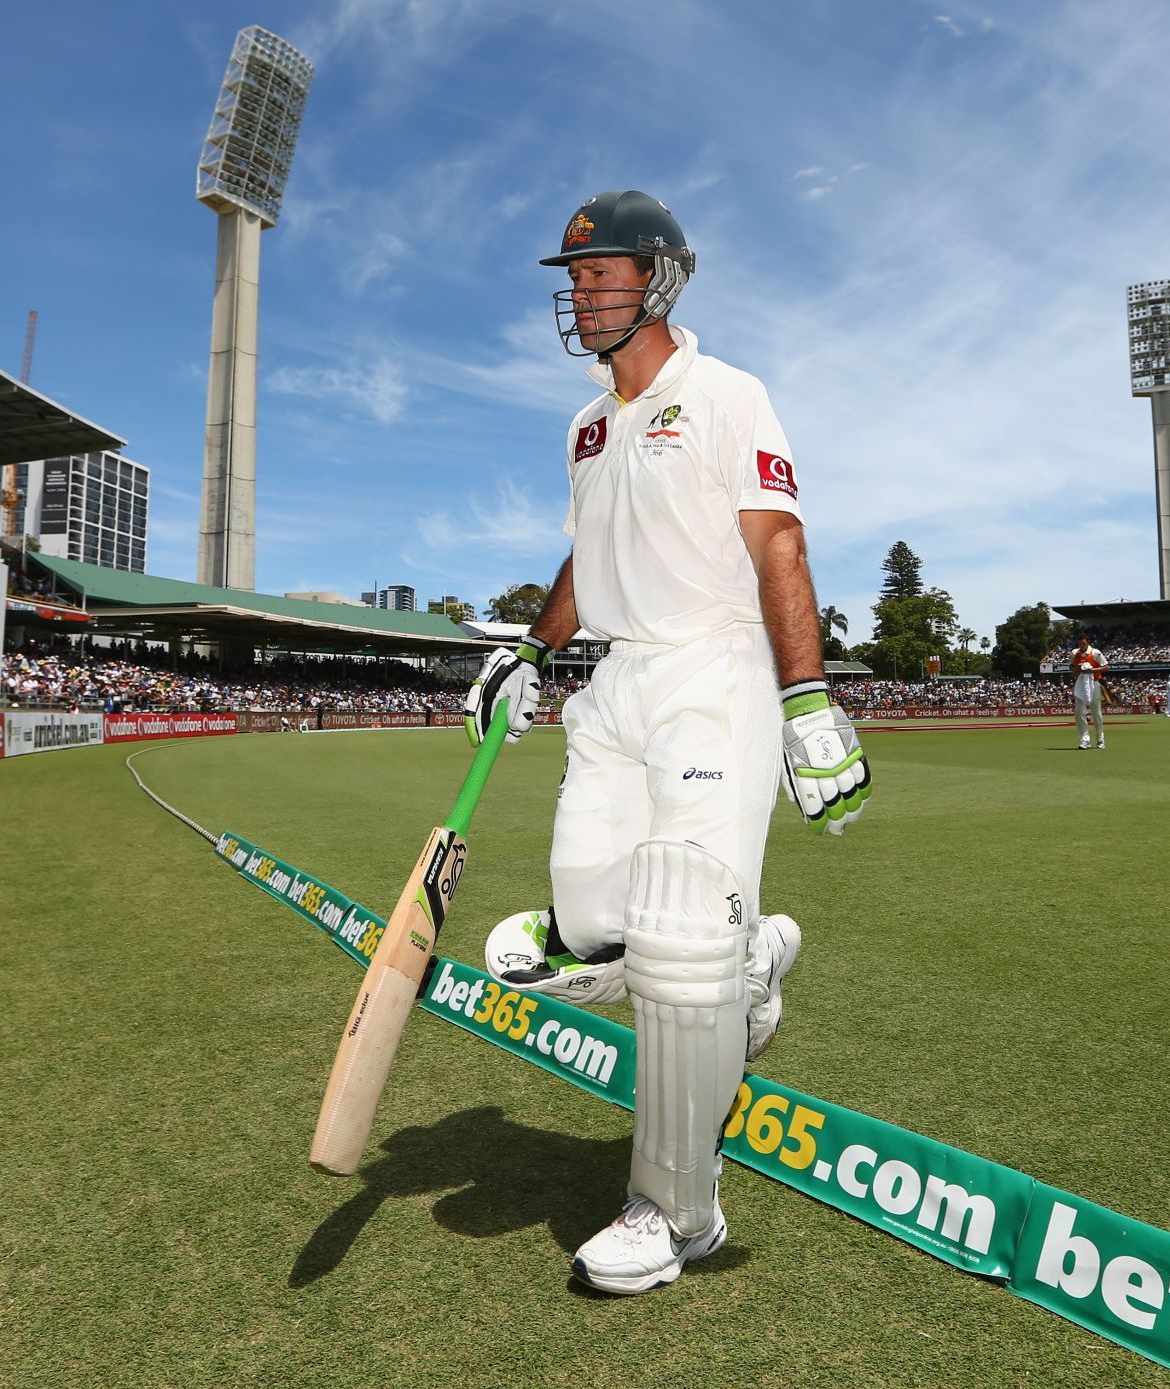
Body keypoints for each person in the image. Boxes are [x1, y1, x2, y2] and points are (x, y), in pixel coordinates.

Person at [461, 189, 870, 1296]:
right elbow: (587, 564)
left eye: (605, 273)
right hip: (618, 682)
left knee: (679, 940)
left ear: (663, 278)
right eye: (577, 277)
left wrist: (809, 701)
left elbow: (777, 541)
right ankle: (749, 967)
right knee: (588, 932)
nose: (584, 291)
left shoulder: (728, 394)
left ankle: (673, 1209)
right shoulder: (585, 427)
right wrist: (529, 652)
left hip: (714, 671)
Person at [1069, 633, 1107, 748]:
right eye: (1080, 643)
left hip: (1094, 683)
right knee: (1079, 712)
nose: (1081, 645)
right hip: (1081, 683)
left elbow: (1106, 667)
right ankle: (1085, 740)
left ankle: (1100, 739)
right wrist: (1078, 668)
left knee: (1096, 713)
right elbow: (1071, 666)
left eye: (1083, 643)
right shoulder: (1074, 653)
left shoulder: (1095, 653)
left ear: (1088, 642)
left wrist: (1091, 670)